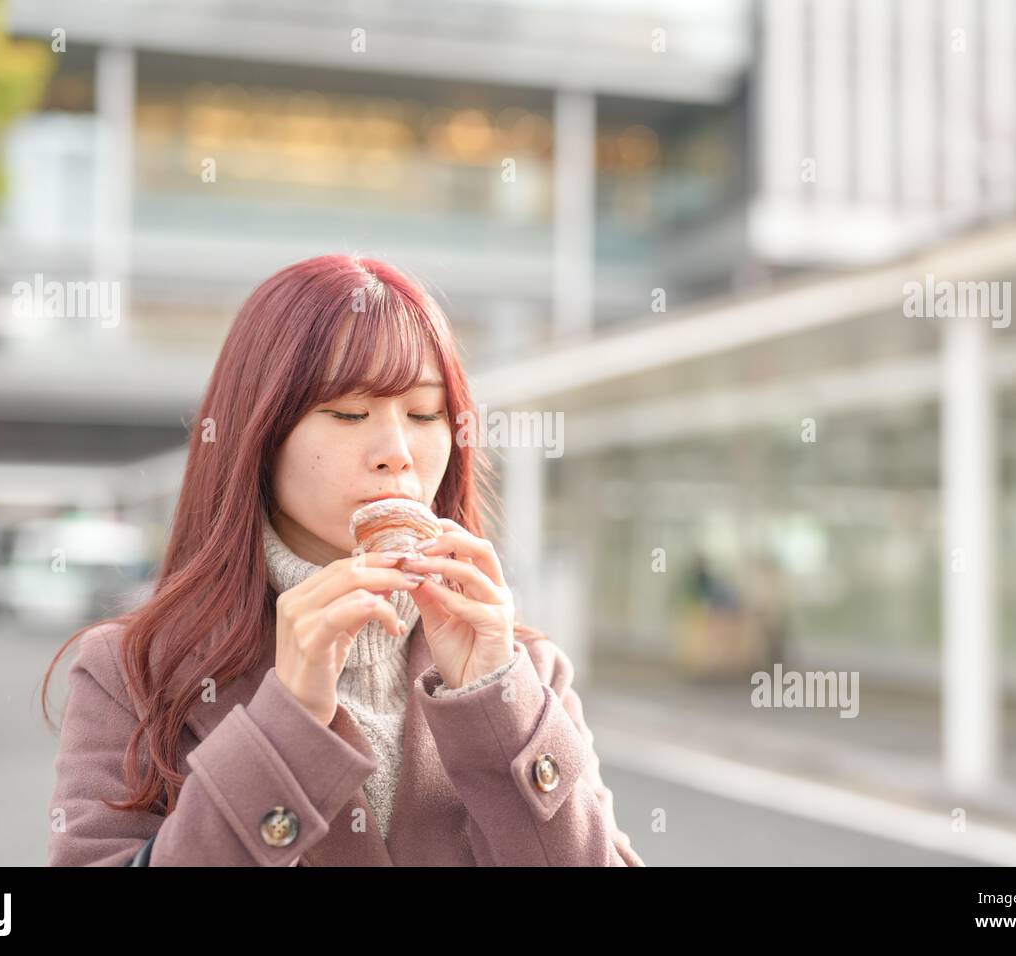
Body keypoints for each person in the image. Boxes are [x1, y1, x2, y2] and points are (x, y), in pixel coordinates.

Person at [40, 253, 645, 867]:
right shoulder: (135, 672)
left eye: (424, 414)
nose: (396, 452)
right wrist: (286, 727)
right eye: (349, 412)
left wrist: (498, 705)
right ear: (261, 434)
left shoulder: (526, 668)